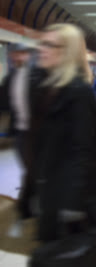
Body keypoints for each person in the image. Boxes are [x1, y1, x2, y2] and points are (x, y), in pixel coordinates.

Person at [28, 23, 96, 246]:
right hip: (51, 196)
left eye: (49, 44)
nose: (41, 49)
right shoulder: (46, 89)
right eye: (41, 44)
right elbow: (38, 148)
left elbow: (83, 151)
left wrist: (71, 206)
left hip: (73, 205)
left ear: (67, 52)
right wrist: (29, 193)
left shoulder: (78, 91)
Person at [0, 42, 39, 234]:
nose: (18, 57)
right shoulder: (9, 79)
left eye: (22, 53)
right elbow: (3, 105)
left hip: (39, 133)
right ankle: (27, 209)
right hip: (21, 133)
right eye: (16, 54)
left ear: (29, 56)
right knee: (30, 170)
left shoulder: (37, 77)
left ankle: (26, 210)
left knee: (34, 171)